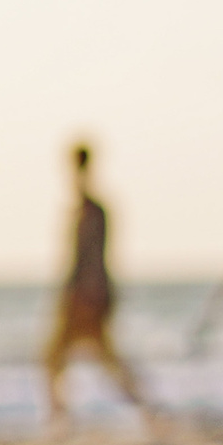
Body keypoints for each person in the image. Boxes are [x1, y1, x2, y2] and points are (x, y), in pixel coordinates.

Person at [44, 142, 154, 424]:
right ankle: (144, 408)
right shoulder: (83, 207)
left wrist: (90, 293)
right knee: (82, 358)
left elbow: (93, 257)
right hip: (82, 291)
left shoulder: (92, 210)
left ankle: (61, 417)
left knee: (66, 357)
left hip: (86, 294)